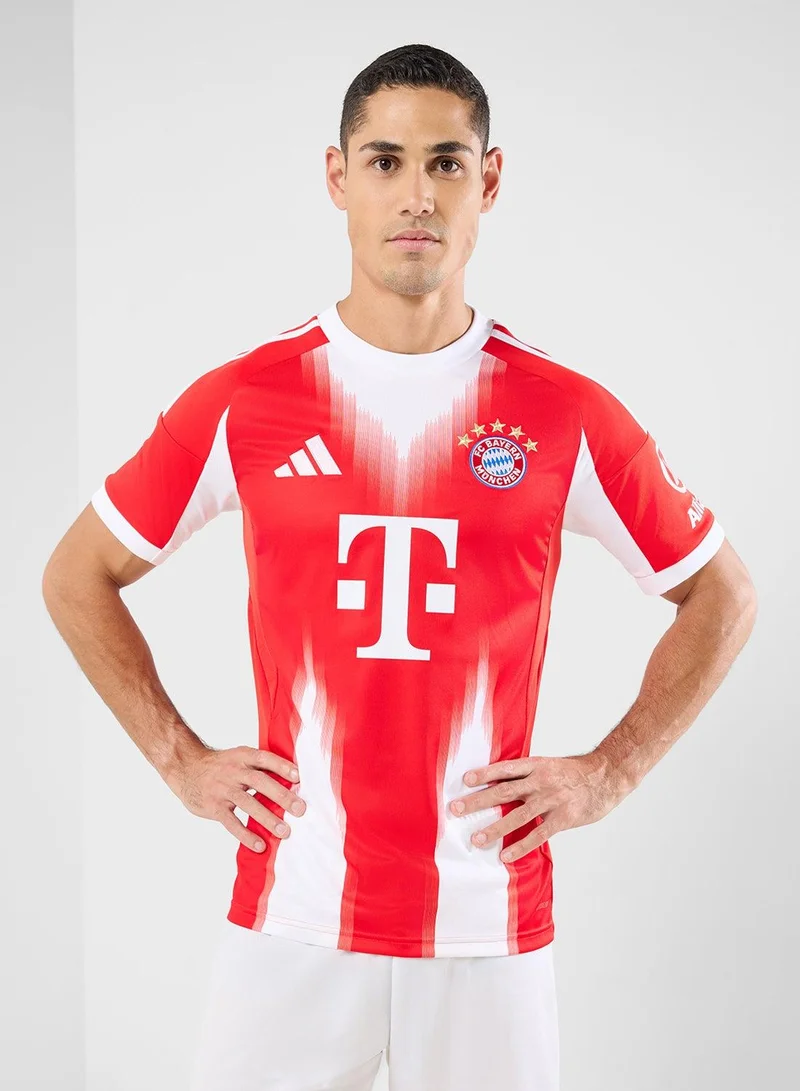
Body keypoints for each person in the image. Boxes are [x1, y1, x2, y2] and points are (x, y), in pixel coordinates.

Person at [42, 41, 757, 1091]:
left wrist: (611, 770)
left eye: (444, 162)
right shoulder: (248, 398)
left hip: (485, 920)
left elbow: (721, 591)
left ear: (488, 181)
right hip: (291, 912)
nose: (416, 193)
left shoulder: (562, 411)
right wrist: (179, 758)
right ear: (337, 178)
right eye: (384, 161)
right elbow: (76, 573)